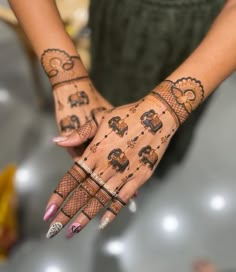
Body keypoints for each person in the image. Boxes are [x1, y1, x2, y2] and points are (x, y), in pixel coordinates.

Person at [8, 0, 236, 240]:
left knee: (164, 135)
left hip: (210, 39)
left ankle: (154, 171)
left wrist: (168, 107)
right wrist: (68, 76)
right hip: (119, 19)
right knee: (107, 104)